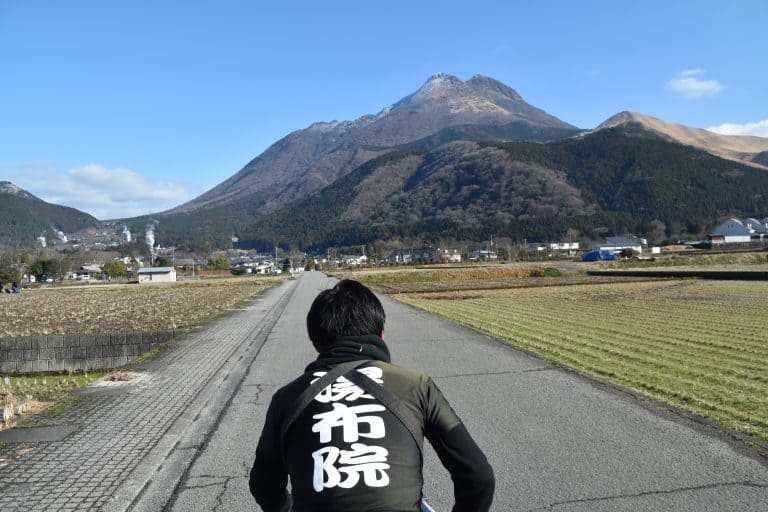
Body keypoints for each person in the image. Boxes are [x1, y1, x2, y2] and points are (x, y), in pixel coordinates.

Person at [249, 279, 494, 512]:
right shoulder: (415, 385)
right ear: (381, 335)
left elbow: (263, 485)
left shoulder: (287, 398)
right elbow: (478, 476)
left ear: (316, 345)